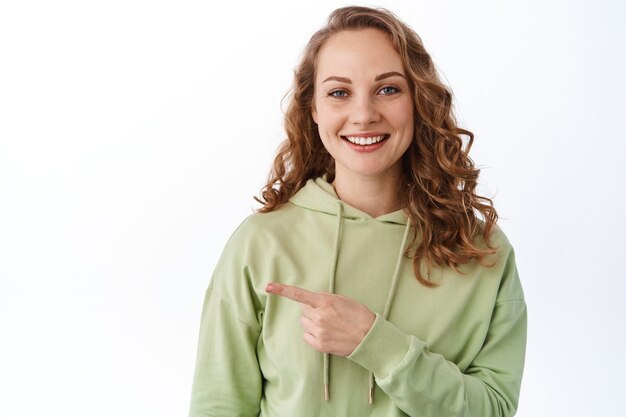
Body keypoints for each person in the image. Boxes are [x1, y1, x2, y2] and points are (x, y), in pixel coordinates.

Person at [189, 6, 526, 417]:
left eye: (388, 89)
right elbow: (218, 406)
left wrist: (377, 344)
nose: (364, 114)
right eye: (338, 92)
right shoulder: (260, 244)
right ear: (313, 109)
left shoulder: (481, 251)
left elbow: (494, 410)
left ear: (418, 101)